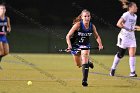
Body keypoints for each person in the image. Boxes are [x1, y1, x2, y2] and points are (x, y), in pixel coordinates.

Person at [66, 9, 103, 86]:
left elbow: (97, 36)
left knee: (84, 59)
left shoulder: (92, 26)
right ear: (82, 17)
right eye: (85, 16)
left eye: (88, 16)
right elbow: (68, 36)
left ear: (90, 17)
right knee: (79, 65)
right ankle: (88, 62)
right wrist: (69, 46)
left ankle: (84, 81)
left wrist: (100, 44)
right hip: (75, 45)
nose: (87, 18)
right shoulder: (78, 25)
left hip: (85, 44)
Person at [110, 1, 139, 77]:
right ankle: (113, 68)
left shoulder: (135, 16)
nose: (137, 8)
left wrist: (135, 27)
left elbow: (132, 26)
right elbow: (118, 24)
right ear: (130, 7)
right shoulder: (126, 14)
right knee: (120, 55)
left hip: (132, 37)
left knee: (132, 54)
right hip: (124, 36)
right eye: (135, 6)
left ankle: (132, 72)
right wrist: (127, 28)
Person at [0, 3, 11, 69]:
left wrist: (8, 30)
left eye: (4, 8)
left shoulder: (7, 18)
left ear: (5, 10)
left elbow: (9, 27)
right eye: (1, 8)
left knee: (6, 52)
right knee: (1, 52)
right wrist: (2, 32)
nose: (2, 10)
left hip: (4, 37)